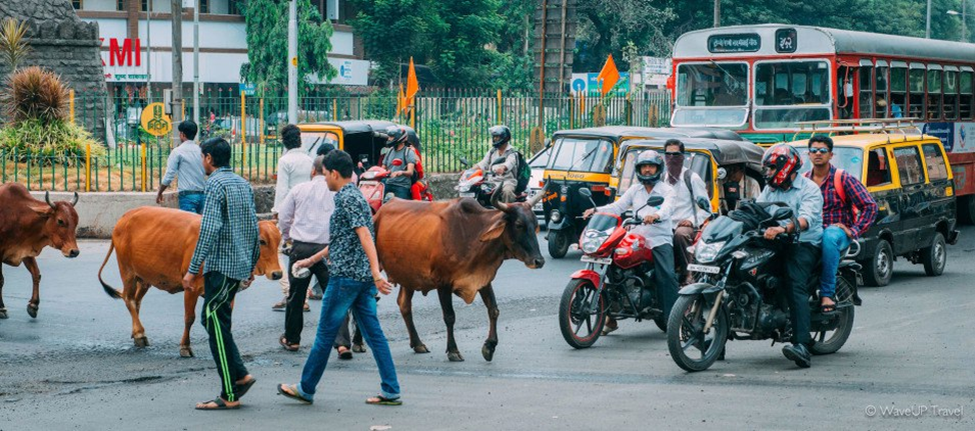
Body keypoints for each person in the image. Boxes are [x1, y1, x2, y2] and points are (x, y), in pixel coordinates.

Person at [277, 150, 402, 406]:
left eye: (325, 176)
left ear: (334, 173)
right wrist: (311, 260)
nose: (324, 181)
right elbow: (342, 241)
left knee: (324, 335)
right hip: (361, 278)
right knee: (374, 335)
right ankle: (390, 390)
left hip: (346, 279)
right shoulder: (355, 195)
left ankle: (306, 388)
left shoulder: (347, 198)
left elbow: (365, 235)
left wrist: (377, 272)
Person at [182, 137, 259, 410]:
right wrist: (252, 262)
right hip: (237, 265)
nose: (202, 162)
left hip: (221, 266)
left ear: (209, 159)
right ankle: (240, 375)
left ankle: (229, 393)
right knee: (216, 319)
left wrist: (192, 270)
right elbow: (254, 225)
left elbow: (209, 228)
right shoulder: (242, 183)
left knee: (212, 319)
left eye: (203, 157)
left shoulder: (214, 184)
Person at [583, 151, 678, 335]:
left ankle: (674, 319)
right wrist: (596, 210)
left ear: (658, 169)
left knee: (666, 275)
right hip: (635, 236)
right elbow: (617, 206)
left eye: (651, 166)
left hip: (658, 239)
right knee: (611, 264)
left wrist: (656, 215)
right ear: (639, 169)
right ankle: (610, 318)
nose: (648, 170)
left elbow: (667, 208)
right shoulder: (635, 190)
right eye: (644, 166)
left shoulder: (667, 191)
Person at [277, 155, 356, 359]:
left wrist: (287, 238)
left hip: (301, 248)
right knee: (336, 297)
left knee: (296, 296)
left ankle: (292, 339)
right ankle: (342, 344)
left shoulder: (299, 189)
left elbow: (284, 218)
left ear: (313, 171)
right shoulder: (339, 193)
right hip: (329, 250)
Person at [756, 144, 824, 368]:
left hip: (803, 243)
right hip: (775, 240)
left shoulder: (809, 189)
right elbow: (757, 211)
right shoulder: (770, 189)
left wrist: (784, 229)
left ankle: (802, 345)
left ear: (786, 167)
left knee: (795, 283)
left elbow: (806, 220)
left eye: (772, 168)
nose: (768, 173)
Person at [804, 136, 877, 315]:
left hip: (836, 232)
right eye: (814, 151)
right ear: (808, 155)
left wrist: (854, 230)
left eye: (822, 151)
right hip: (811, 232)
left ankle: (827, 294)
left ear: (831, 155)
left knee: (829, 236)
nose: (818, 154)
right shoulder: (803, 181)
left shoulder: (842, 178)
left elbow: (870, 206)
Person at [272, 124, 314, 311]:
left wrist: (277, 211)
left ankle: (289, 292)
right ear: (299, 139)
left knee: (280, 252)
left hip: (290, 212)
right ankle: (303, 296)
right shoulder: (309, 159)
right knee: (303, 252)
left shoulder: (285, 161)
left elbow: (282, 189)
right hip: (307, 211)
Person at [662, 139, 710, 285]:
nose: (671, 158)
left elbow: (706, 209)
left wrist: (690, 220)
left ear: (682, 156)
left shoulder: (692, 178)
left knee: (680, 234)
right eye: (668, 154)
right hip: (664, 223)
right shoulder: (660, 178)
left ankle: (688, 274)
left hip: (685, 225)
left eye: (675, 155)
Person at [157, 120, 206, 214]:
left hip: (187, 197)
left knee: (187, 227)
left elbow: (169, 175)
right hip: (203, 196)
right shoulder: (201, 151)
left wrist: (160, 191)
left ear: (182, 134)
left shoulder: (177, 151)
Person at [476, 125, 518, 203]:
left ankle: (506, 213)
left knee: (507, 192)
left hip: (507, 181)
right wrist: (470, 170)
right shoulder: (492, 151)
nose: (495, 139)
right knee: (477, 190)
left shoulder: (512, 152)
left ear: (504, 137)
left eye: (497, 137)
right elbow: (483, 163)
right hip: (492, 181)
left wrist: (503, 168)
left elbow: (509, 163)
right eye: (494, 137)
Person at [381, 125, 417, 201]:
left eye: (391, 137)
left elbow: (410, 172)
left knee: (400, 209)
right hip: (388, 183)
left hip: (401, 185)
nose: (389, 139)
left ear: (399, 138)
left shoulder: (408, 152)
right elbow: (383, 168)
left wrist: (400, 172)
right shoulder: (389, 151)